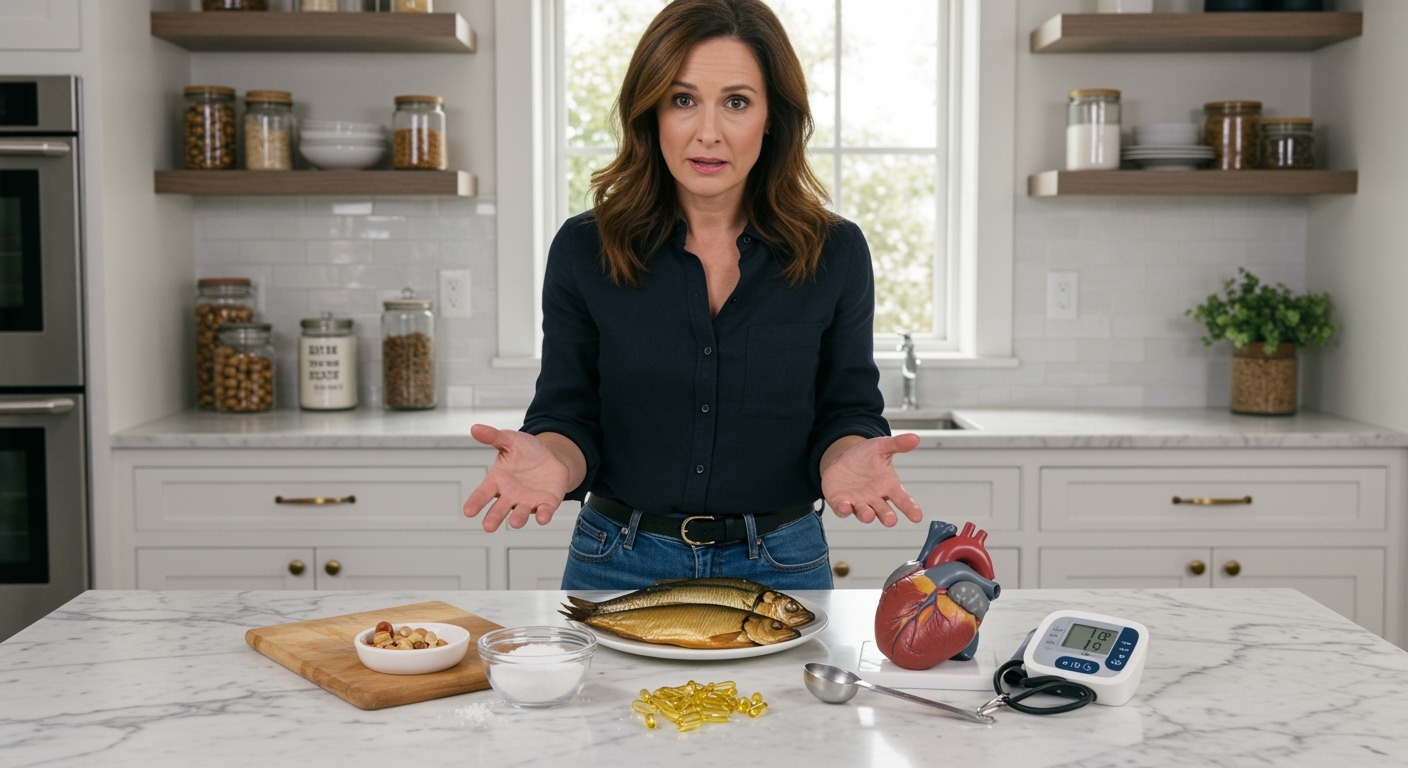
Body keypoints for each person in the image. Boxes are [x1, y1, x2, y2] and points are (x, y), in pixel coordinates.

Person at [462, 0, 922, 591]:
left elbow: (846, 408)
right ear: (650, 111)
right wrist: (553, 461)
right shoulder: (585, 248)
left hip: (781, 565)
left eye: (736, 101)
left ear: (772, 117)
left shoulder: (835, 251)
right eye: (683, 100)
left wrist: (846, 457)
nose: (708, 131)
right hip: (616, 561)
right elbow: (568, 413)